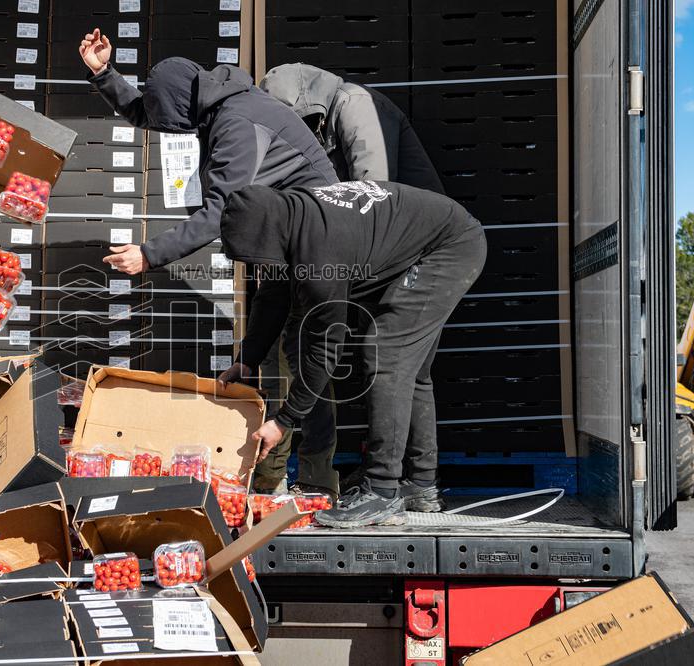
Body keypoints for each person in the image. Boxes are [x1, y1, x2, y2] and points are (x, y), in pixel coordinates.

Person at [79, 30, 340, 496]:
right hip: (284, 243)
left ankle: (295, 485)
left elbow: (221, 209)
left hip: (315, 244)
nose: (171, 126)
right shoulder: (215, 101)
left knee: (296, 360)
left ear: (185, 101)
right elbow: (155, 113)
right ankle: (284, 480)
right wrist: (105, 74)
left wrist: (149, 254)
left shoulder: (238, 124)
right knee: (275, 351)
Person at [218, 180, 486, 527]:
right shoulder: (289, 220)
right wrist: (248, 359)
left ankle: (381, 490)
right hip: (430, 237)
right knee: (412, 372)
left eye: (253, 256)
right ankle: (421, 484)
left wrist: (283, 421)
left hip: (449, 246)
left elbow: (325, 351)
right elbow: (272, 295)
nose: (255, 265)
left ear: (266, 236)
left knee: (387, 355)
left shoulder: (319, 257)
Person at [257, 63, 446, 503]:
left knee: (400, 365)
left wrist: (326, 268)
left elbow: (371, 197)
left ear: (306, 108)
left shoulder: (353, 103)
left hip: (420, 250)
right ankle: (373, 480)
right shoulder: (308, 127)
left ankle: (414, 484)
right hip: (382, 250)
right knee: (315, 344)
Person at [260, 63, 443, 191]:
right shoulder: (322, 116)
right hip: (385, 224)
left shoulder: (355, 103)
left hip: (415, 230)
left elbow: (373, 191)